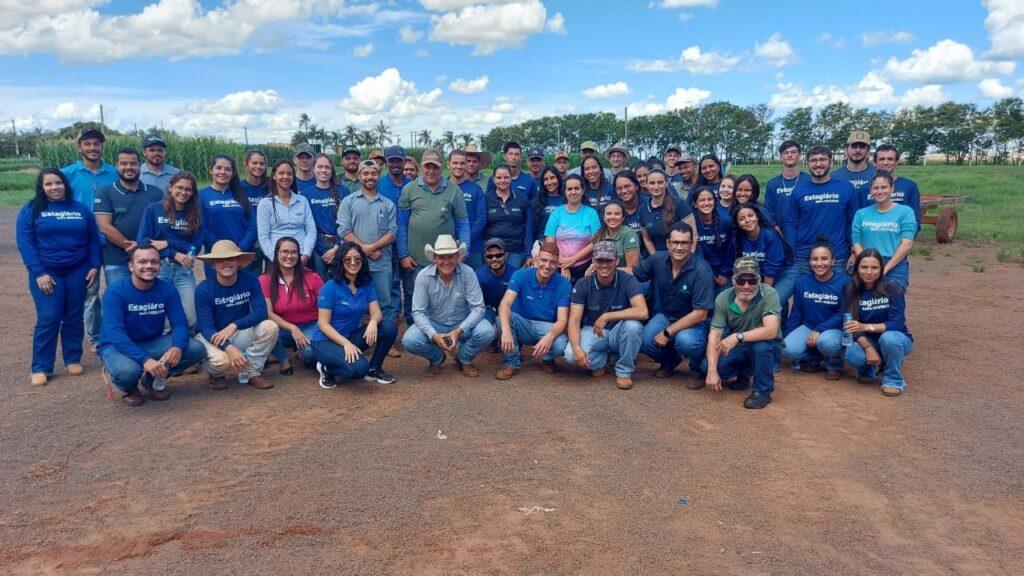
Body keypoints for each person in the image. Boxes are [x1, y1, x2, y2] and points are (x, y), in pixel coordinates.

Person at [17, 168, 101, 386]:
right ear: (42, 187)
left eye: (58, 183)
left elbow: (93, 239)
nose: (54, 187)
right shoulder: (32, 210)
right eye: (49, 184)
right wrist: (39, 272)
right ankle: (41, 367)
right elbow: (26, 243)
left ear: (65, 184)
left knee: (74, 315)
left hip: (77, 270)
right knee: (49, 316)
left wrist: (94, 265)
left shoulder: (80, 209)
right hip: (47, 272)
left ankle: (72, 359)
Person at [98, 244, 205, 406]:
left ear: (159, 265)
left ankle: (152, 379)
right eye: (142, 262)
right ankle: (131, 388)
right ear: (131, 266)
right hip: (117, 345)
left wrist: (177, 347)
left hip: (150, 342)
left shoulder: (167, 289)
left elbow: (180, 323)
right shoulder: (115, 292)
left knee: (196, 348)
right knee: (127, 372)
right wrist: (145, 360)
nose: (149, 266)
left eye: (154, 262)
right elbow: (115, 334)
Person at [401, 235, 494, 377]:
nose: (446, 262)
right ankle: (437, 357)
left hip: (462, 321)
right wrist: (434, 335)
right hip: (435, 323)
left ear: (457, 256)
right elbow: (418, 312)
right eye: (441, 257)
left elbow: (478, 308)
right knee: (409, 340)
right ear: (434, 258)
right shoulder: (423, 276)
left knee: (487, 331)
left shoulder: (468, 273)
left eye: (450, 257)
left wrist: (459, 331)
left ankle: (464, 357)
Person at [397, 149, 470, 327]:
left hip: (445, 256)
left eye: (435, 167)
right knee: (412, 293)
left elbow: (463, 222)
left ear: (441, 168)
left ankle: (440, 329)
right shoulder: (409, 189)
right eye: (427, 167)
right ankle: (415, 329)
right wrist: (403, 254)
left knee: (442, 294)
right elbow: (401, 224)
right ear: (422, 167)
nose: (431, 171)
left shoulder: (453, 190)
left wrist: (463, 250)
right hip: (415, 258)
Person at [634, 222, 715, 383]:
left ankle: (697, 369)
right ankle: (669, 362)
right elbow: (635, 274)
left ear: (691, 244)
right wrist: (606, 269)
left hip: (695, 321)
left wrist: (667, 332)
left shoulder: (702, 270)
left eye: (684, 243)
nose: (679, 247)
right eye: (675, 242)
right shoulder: (658, 259)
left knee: (686, 342)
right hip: (667, 314)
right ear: (667, 243)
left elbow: (701, 313)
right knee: (644, 340)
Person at [195, 240, 279, 390]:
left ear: (238, 261)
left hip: (237, 331)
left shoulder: (250, 280)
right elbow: (206, 327)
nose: (226, 263)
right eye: (220, 260)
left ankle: (252, 371)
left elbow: (261, 312)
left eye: (230, 258)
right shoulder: (203, 289)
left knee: (270, 327)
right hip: (211, 334)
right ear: (213, 264)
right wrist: (229, 347)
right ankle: (216, 374)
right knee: (221, 361)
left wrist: (234, 325)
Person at [311, 242, 397, 387]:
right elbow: (323, 324)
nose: (353, 263)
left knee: (388, 327)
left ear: (362, 261)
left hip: (349, 337)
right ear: (340, 262)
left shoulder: (365, 284)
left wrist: (372, 322)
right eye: (347, 259)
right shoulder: (330, 287)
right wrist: (346, 344)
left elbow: (376, 312)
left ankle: (374, 368)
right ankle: (327, 368)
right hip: (324, 341)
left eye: (357, 259)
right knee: (359, 369)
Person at [564, 241, 648, 390]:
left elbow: (642, 311)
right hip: (594, 331)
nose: (604, 265)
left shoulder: (628, 280)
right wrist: (576, 348)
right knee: (571, 355)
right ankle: (601, 361)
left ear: (616, 261)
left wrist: (607, 316)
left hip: (618, 331)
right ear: (593, 261)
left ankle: (624, 372)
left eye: (608, 260)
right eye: (599, 260)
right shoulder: (583, 283)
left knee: (633, 326)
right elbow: (574, 320)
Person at [61, 127, 117, 348]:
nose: (93, 148)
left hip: (112, 241)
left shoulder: (113, 172)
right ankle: (95, 338)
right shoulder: (67, 174)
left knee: (115, 290)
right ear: (79, 147)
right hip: (83, 244)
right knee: (90, 293)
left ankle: (116, 333)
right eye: (87, 143)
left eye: (96, 143)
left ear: (102, 146)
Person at [705, 257, 783, 409]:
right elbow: (714, 335)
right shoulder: (723, 298)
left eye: (752, 281)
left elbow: (771, 331)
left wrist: (737, 336)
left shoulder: (769, 294)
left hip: (767, 345)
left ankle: (762, 391)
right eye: (741, 281)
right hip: (741, 346)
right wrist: (711, 371)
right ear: (733, 281)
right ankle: (745, 374)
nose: (746, 286)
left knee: (761, 347)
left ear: (759, 280)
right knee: (709, 368)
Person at [495, 242, 572, 379]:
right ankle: (511, 363)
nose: (547, 266)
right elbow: (505, 303)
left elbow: (563, 319)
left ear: (557, 264)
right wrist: (506, 331)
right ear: (536, 259)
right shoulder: (521, 275)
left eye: (552, 262)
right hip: (523, 323)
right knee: (502, 320)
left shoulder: (564, 284)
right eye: (544, 260)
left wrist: (549, 338)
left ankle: (547, 358)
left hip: (547, 327)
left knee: (561, 343)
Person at [842, 248, 913, 397]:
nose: (869, 272)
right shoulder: (850, 289)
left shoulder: (893, 287)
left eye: (874, 267)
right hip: (867, 340)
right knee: (852, 354)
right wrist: (868, 347)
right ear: (857, 268)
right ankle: (869, 368)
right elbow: (851, 325)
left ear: (881, 269)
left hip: (895, 338)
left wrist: (866, 326)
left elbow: (897, 323)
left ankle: (893, 379)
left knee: (889, 339)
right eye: (864, 267)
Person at [137, 171, 203, 329]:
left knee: (191, 318)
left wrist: (167, 243)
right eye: (179, 187)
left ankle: (184, 349)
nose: (183, 192)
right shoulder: (154, 209)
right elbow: (143, 242)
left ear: (193, 192)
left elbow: (195, 246)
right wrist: (173, 253)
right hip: (159, 268)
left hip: (183, 269)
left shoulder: (195, 214)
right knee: (159, 317)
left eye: (188, 189)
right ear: (170, 187)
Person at [337, 159, 398, 324]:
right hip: (353, 263)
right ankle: (356, 340)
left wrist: (372, 247)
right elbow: (344, 231)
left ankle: (387, 341)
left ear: (379, 176)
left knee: (384, 303)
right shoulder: (348, 202)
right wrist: (364, 250)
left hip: (381, 263)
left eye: (373, 173)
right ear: (359, 175)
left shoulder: (388, 204)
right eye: (365, 173)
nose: (369, 177)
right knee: (354, 303)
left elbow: (392, 233)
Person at [93, 147, 163, 285]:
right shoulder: (106, 192)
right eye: (123, 163)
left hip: (150, 260)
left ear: (139, 165)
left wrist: (143, 249)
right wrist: (132, 248)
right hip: (117, 261)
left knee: (150, 302)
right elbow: (104, 227)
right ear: (116, 165)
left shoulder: (156, 193)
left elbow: (162, 225)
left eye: (133, 163)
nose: (129, 167)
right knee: (120, 300)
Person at [783, 238, 849, 379]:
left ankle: (834, 364)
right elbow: (797, 312)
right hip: (810, 326)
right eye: (814, 259)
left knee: (827, 342)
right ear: (809, 262)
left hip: (834, 328)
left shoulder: (845, 282)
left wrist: (820, 329)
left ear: (832, 261)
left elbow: (844, 313)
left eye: (824, 259)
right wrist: (786, 335)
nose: (819, 263)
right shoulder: (802, 281)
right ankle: (814, 358)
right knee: (789, 349)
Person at [785, 146, 858, 275]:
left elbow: (853, 221)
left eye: (822, 159)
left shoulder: (846, 188)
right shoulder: (799, 191)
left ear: (831, 162)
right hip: (805, 256)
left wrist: (854, 249)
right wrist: (792, 251)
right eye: (813, 160)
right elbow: (791, 223)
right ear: (807, 164)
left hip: (837, 255)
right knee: (806, 293)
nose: (818, 164)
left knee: (837, 293)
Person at [261, 237, 324, 375]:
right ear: (276, 254)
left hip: (310, 324)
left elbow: (325, 308)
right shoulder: (265, 279)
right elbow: (268, 313)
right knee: (264, 332)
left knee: (310, 353)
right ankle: (284, 359)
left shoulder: (312, 277)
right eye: (285, 251)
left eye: (294, 252)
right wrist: (292, 328)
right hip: (281, 328)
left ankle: (301, 349)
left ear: (299, 255)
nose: (289, 256)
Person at [851, 171, 917, 289]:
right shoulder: (861, 214)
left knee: (894, 297)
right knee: (864, 301)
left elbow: (907, 244)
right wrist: (867, 264)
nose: (879, 191)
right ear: (871, 191)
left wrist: (885, 268)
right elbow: (856, 241)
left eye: (884, 187)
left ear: (892, 189)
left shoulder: (905, 212)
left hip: (894, 263)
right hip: (866, 263)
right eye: (875, 188)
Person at [734, 203, 796, 315]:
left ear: (757, 217)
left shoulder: (769, 235)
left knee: (767, 307)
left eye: (750, 216)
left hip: (784, 274)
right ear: (737, 223)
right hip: (760, 277)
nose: (747, 220)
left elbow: (771, 267)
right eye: (741, 219)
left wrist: (761, 294)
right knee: (736, 305)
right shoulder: (739, 239)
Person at [199, 154, 257, 270]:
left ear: (233, 173)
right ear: (211, 170)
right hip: (215, 255)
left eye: (228, 169)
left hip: (240, 254)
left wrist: (242, 247)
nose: (223, 172)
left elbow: (253, 224)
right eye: (219, 168)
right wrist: (221, 249)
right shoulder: (201, 195)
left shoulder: (241, 194)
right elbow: (201, 227)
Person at [257, 159, 316, 266]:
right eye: (281, 173)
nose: (285, 177)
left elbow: (311, 230)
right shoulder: (265, 204)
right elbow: (263, 236)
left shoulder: (302, 201)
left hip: (301, 256)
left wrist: (306, 255)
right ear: (274, 176)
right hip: (276, 259)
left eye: (289, 174)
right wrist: (275, 259)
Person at [544, 174, 601, 282]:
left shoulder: (591, 213)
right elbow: (550, 242)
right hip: (558, 264)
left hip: (585, 267)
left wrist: (572, 260)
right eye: (569, 189)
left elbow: (595, 242)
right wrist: (564, 264)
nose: (573, 192)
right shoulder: (556, 213)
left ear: (583, 190)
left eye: (576, 188)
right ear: (565, 192)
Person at [302, 153, 348, 278]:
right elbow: (307, 226)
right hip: (318, 247)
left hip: (340, 244)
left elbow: (348, 222)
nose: (323, 170)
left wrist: (336, 248)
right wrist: (322, 249)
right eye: (320, 166)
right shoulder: (306, 195)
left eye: (327, 167)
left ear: (332, 170)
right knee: (321, 285)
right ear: (313, 169)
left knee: (342, 282)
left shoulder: (343, 191)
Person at [484, 165, 533, 268]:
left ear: (511, 178)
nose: (502, 181)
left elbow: (528, 227)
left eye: (506, 177)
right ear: (493, 179)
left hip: (515, 250)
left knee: (512, 281)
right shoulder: (486, 199)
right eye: (499, 177)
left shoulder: (521, 199)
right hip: (492, 251)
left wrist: (529, 254)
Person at [639, 169, 694, 256]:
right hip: (659, 258)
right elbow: (647, 239)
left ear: (666, 183)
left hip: (683, 256)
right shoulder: (643, 209)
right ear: (646, 185)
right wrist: (656, 259)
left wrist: (687, 259)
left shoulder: (679, 204)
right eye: (652, 183)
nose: (656, 187)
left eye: (660, 182)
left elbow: (693, 234)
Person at [448, 149, 487, 268]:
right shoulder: (442, 187)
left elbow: (481, 218)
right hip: (446, 246)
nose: (458, 166)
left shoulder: (475, 189)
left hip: (473, 246)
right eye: (455, 163)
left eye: (462, 163)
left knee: (473, 282)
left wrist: (465, 241)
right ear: (448, 164)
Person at [764, 140, 810, 240]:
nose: (790, 155)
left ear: (799, 155)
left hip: (805, 233)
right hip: (780, 233)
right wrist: (775, 227)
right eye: (786, 153)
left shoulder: (809, 180)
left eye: (793, 152)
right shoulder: (773, 183)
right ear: (781, 157)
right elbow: (768, 210)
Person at [691, 186, 734, 292]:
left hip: (724, 269)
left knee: (722, 299)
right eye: (702, 200)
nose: (706, 203)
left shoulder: (726, 220)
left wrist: (723, 273)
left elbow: (731, 249)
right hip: (702, 267)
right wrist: (709, 274)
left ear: (715, 202)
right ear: (695, 204)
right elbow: (697, 254)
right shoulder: (692, 224)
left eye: (709, 199)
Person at [870, 144, 922, 229]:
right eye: (882, 159)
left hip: (900, 240)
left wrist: (905, 239)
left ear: (897, 162)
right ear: (874, 162)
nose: (886, 163)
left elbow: (914, 220)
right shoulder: (865, 188)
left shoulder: (909, 186)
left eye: (890, 159)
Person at [475, 238, 516, 327]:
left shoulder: (514, 275)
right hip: (487, 310)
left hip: (509, 311)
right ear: (485, 257)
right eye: (490, 256)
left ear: (506, 255)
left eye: (498, 255)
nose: (494, 259)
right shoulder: (479, 275)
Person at [591, 202, 640, 271]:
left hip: (627, 277)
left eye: (617, 214)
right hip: (607, 275)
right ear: (604, 218)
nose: (612, 217)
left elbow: (632, 270)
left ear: (623, 218)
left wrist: (605, 270)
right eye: (608, 214)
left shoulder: (629, 234)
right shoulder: (599, 235)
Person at [831, 130, 876, 203]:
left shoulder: (878, 175)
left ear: (868, 151)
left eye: (862, 147)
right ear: (846, 150)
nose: (857, 150)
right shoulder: (833, 176)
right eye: (854, 146)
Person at [531, 166, 566, 248]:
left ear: (558, 179)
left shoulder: (566, 200)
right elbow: (530, 229)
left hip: (564, 243)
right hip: (542, 243)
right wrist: (528, 254)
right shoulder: (536, 202)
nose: (549, 182)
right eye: (546, 179)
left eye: (552, 178)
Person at [612, 171, 646, 241]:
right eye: (619, 188)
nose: (624, 191)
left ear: (636, 186)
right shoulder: (613, 208)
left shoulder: (648, 204)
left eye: (627, 186)